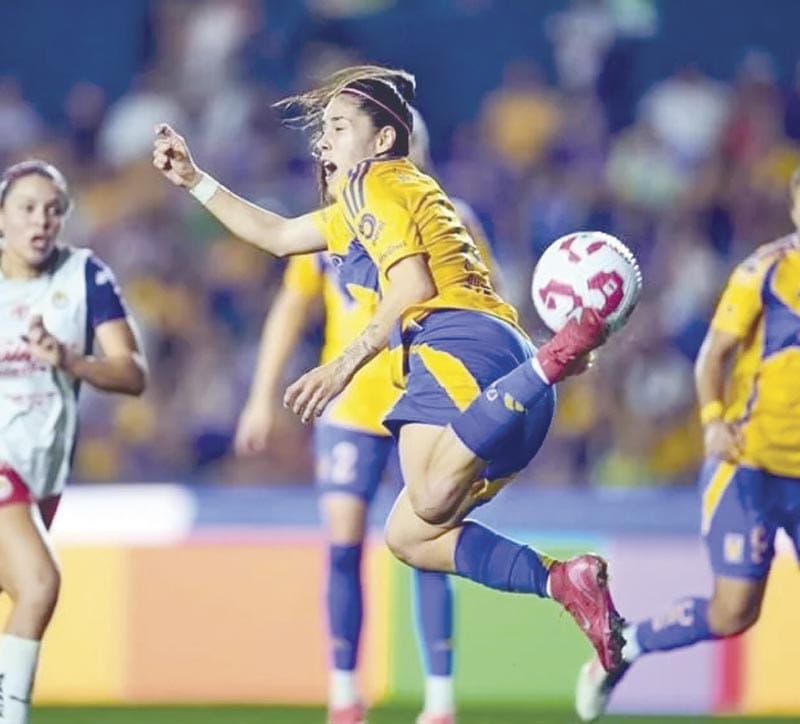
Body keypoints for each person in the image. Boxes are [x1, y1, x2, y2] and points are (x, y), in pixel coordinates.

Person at [152, 65, 625, 686]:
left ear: (381, 140)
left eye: (338, 127)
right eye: (323, 129)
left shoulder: (372, 184)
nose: (323, 140)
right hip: (501, 378)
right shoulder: (386, 198)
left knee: (426, 499)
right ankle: (562, 580)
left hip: (457, 351)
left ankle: (551, 362)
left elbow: (413, 286)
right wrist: (195, 180)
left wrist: (342, 364)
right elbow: (278, 235)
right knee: (410, 535)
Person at [234, 111, 500, 724]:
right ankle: (344, 695)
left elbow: (490, 301)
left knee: (427, 544)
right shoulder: (336, 220)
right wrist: (259, 396)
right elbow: (291, 307)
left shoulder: (451, 219)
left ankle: (439, 701)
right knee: (343, 547)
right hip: (351, 409)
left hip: (428, 405)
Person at [574, 166, 800, 721]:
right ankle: (627, 646)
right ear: (796, 209)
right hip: (748, 465)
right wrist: (714, 420)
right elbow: (713, 356)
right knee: (733, 613)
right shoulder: (766, 272)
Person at [0, 160, 147, 724]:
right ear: (3, 217)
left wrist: (68, 358)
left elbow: (132, 373)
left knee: (24, 592)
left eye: (52, 210)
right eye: (27, 208)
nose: (41, 220)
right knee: (39, 585)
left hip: (43, 472)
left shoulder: (85, 277)